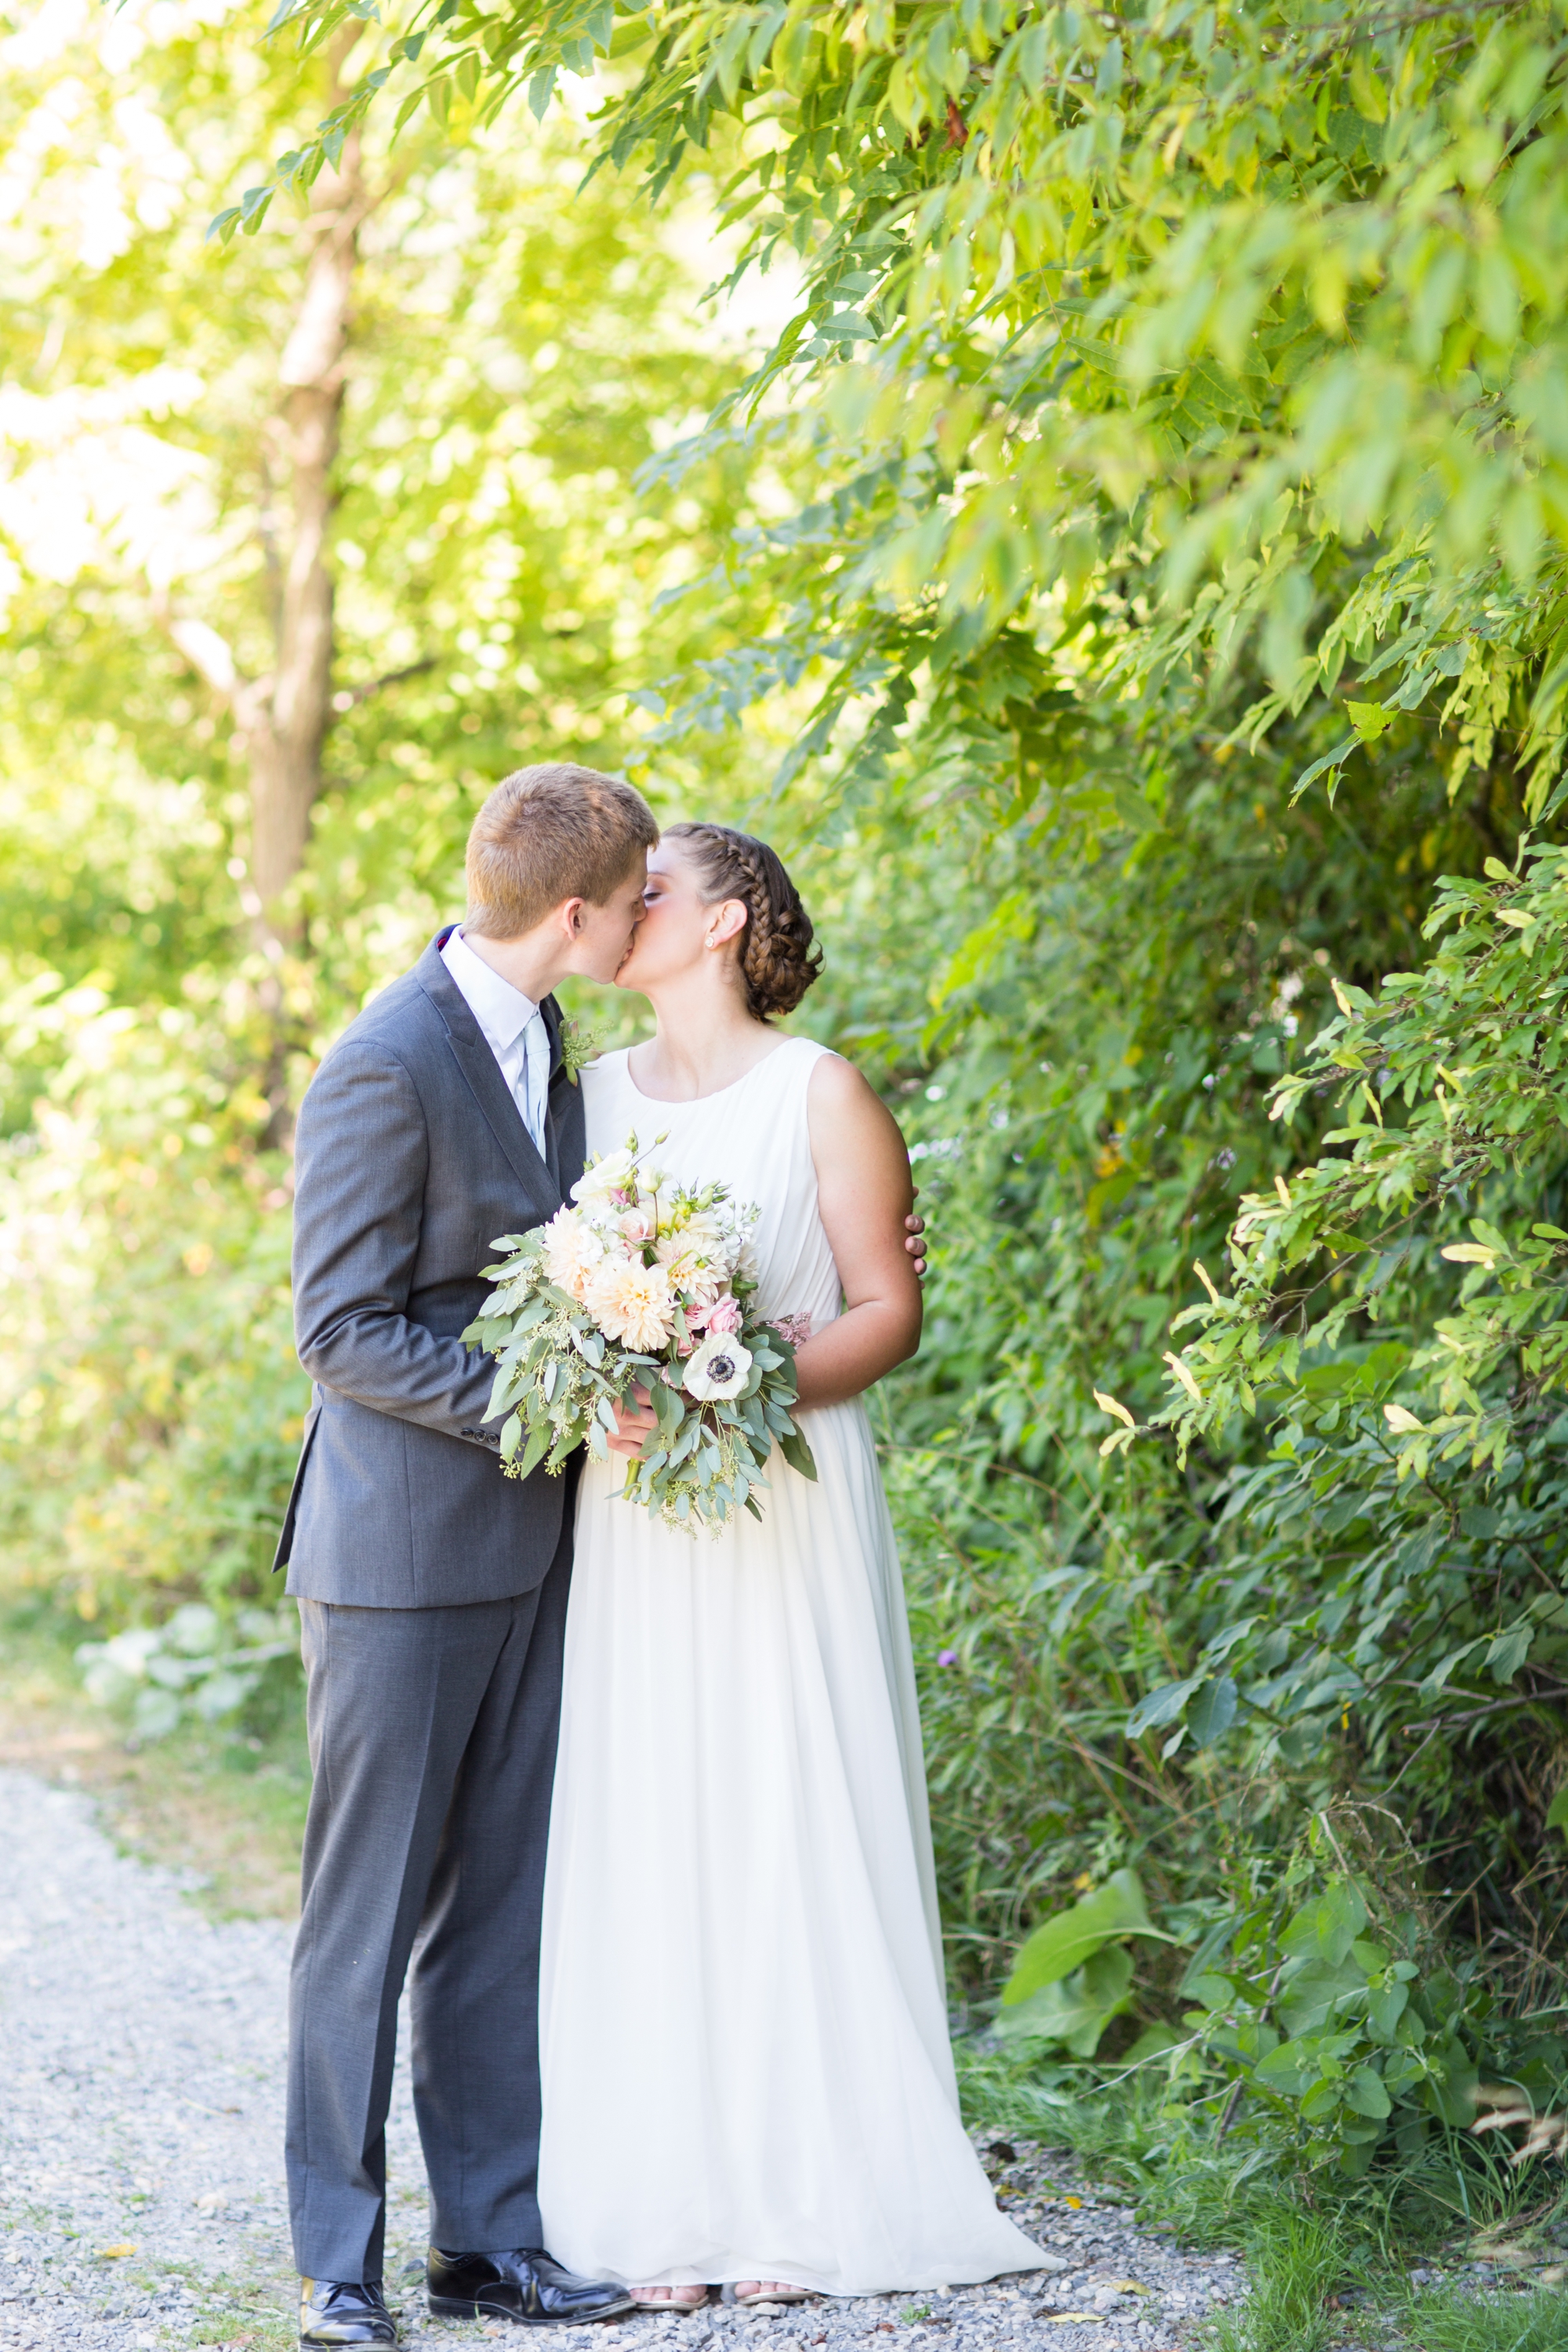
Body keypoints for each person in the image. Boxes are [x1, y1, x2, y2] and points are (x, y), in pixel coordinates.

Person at [275, 770, 931, 2347]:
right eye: (632, 896)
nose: (645, 915)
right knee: (366, 1918)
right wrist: (563, 1401)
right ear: (579, 914)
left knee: (499, 1915)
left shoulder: (563, 1061)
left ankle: (488, 2247)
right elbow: (341, 1331)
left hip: (556, 1552)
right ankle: (339, 2270)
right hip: (397, 1556)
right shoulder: (382, 1059)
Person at [535, 825, 1045, 2303]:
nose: (627, 905)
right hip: (637, 1524)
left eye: (655, 888)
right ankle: (661, 2210)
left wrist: (737, 1381)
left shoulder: (822, 1093)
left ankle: (804, 2200)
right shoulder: (588, 1099)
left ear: (724, 922)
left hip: (786, 1503)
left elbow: (889, 1306)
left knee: (781, 1809)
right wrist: (612, 1382)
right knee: (656, 1821)